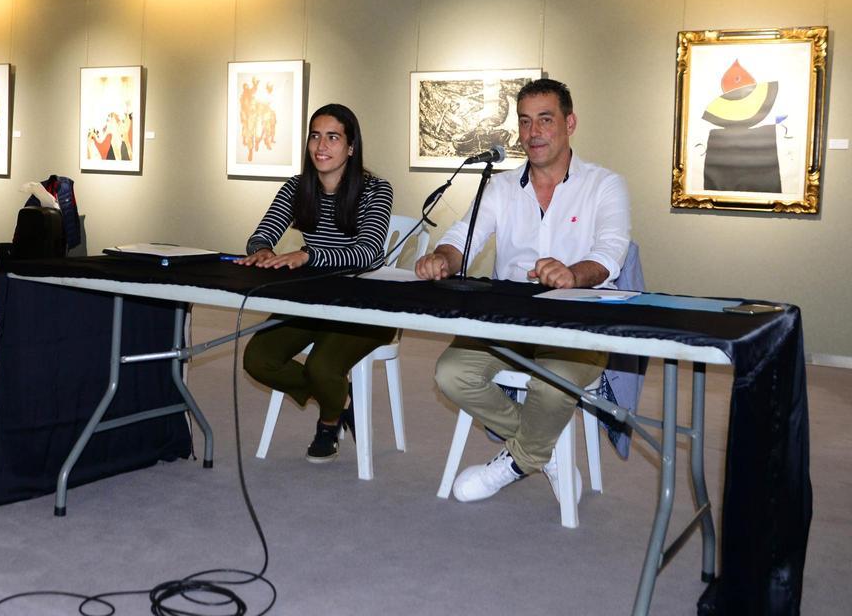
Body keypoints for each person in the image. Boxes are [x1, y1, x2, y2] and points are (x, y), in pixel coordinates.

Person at [415, 78, 630, 503]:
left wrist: (574, 273)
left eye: (545, 120)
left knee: (552, 385)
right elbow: (464, 237)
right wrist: (443, 256)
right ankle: (542, 450)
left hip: (578, 324)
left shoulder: (605, 185)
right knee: (451, 373)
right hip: (509, 320)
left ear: (570, 123)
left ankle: (515, 462)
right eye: (526, 122)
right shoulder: (501, 187)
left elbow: (611, 254)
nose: (533, 133)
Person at [237, 103, 396, 463]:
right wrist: (262, 250)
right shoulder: (297, 187)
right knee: (258, 359)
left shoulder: (376, 190)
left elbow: (368, 252)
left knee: (322, 367)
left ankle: (328, 423)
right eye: (315, 136)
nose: (321, 146)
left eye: (333, 137)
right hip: (312, 299)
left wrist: (309, 255)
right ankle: (339, 399)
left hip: (368, 305)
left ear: (351, 147)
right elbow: (261, 234)